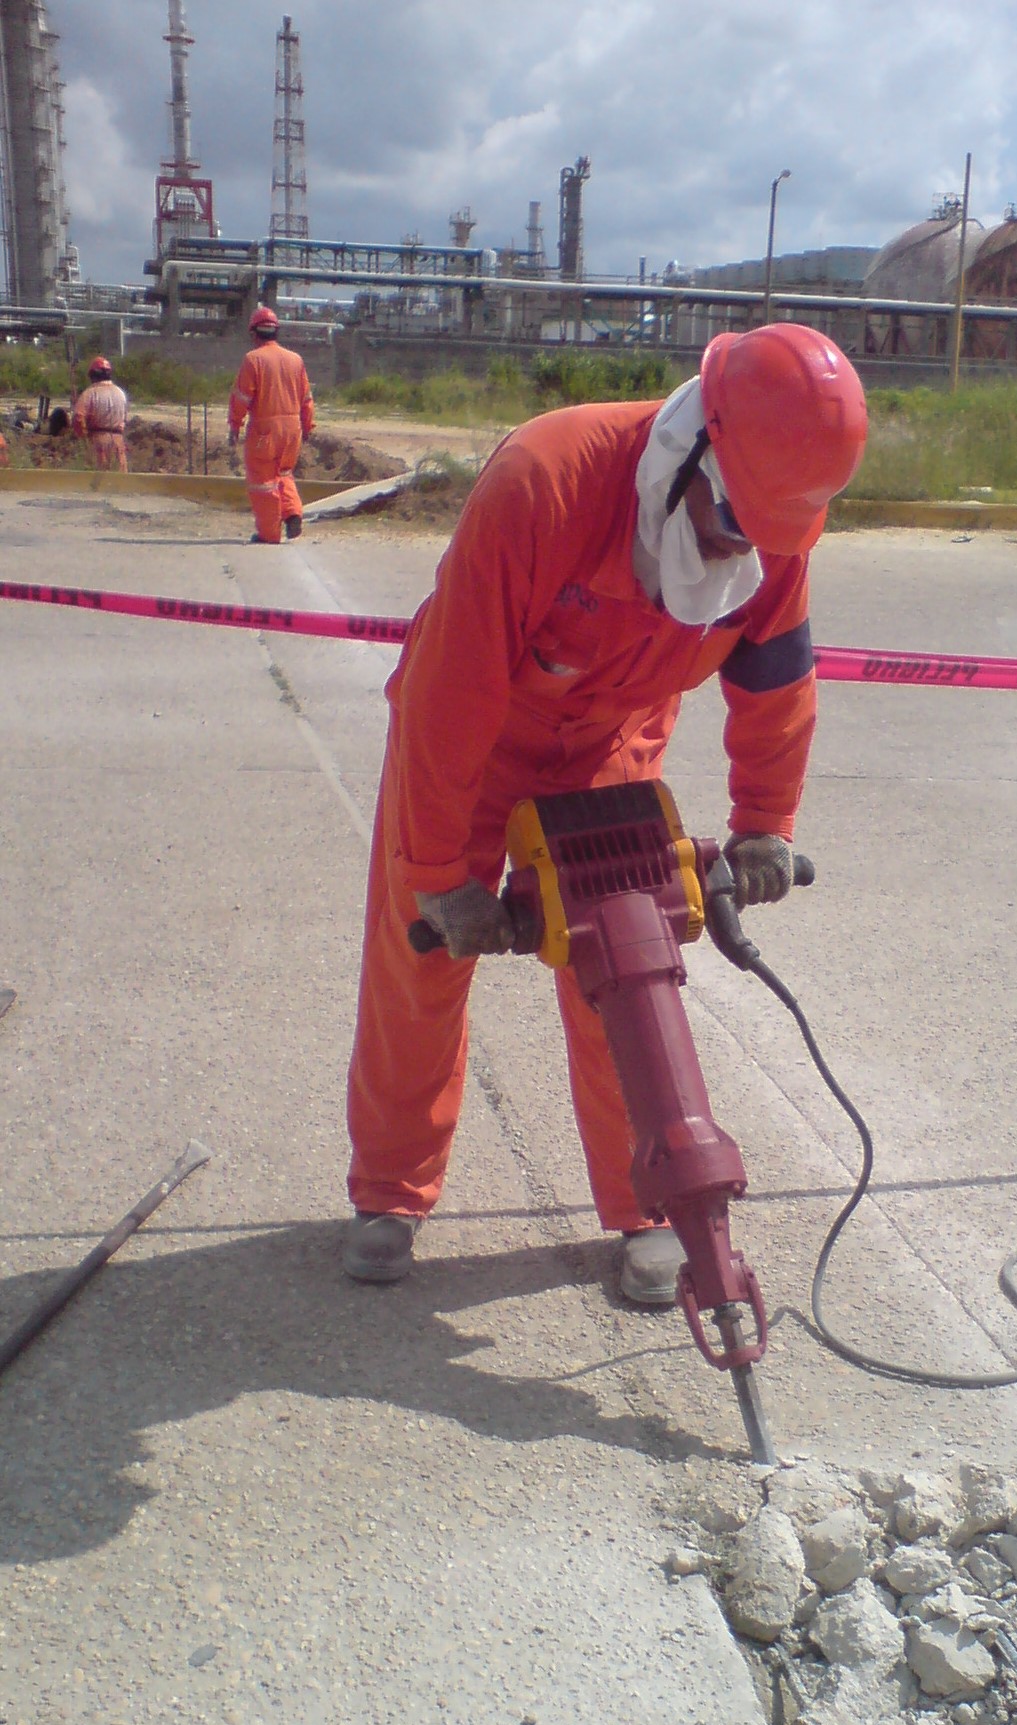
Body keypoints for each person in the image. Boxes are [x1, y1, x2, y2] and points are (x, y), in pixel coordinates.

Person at [343, 322, 867, 1303]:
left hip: (610, 745)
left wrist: (765, 823)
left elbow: (777, 683)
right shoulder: (547, 480)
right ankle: (390, 1192)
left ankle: (652, 1204)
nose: (735, 550)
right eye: (724, 526)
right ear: (691, 448)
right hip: (474, 738)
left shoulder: (772, 521)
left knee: (629, 966)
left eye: (758, 536)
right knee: (422, 954)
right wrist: (442, 874)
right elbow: (451, 695)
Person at [227, 305, 314, 544]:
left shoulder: (253, 360)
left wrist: (234, 426)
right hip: (292, 429)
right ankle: (293, 512)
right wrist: (308, 426)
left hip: (265, 430)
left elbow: (242, 397)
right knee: (284, 473)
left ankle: (269, 533)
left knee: (263, 482)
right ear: (276, 332)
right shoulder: (295, 360)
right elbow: (306, 398)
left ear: (254, 333)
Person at [71, 359, 129, 469]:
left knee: (97, 481)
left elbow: (78, 418)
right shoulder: (121, 393)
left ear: (93, 375)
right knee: (120, 481)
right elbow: (124, 419)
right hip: (118, 441)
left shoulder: (90, 393)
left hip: (98, 441)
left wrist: (84, 438)